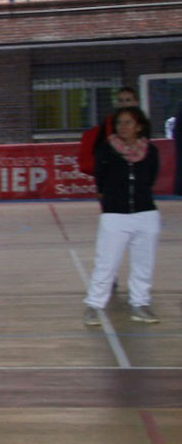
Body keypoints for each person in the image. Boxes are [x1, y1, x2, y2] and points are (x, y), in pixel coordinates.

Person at [83, 106, 161, 325]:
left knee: (143, 263)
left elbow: (151, 177)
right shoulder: (107, 150)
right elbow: (101, 177)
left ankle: (140, 304)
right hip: (115, 215)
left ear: (139, 126)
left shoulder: (150, 151)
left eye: (128, 122)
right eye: (119, 123)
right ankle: (94, 305)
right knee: (106, 263)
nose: (123, 127)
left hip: (146, 213)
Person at [77, 86, 138, 177]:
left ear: (136, 102)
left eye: (127, 100)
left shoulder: (142, 125)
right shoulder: (108, 125)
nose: (124, 104)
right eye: (121, 101)